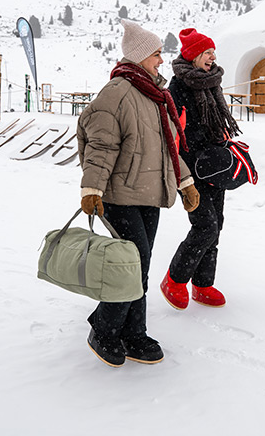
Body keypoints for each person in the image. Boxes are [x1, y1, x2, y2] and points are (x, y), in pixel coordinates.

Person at [77, 19, 200, 368]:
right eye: (157, 54)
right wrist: (92, 188)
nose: (162, 60)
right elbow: (100, 145)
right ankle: (104, 328)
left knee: (139, 267)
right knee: (129, 267)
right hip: (118, 195)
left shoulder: (153, 94)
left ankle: (133, 332)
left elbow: (167, 147)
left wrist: (185, 182)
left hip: (149, 194)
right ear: (140, 56)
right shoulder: (117, 93)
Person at [160, 28, 242, 310]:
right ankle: (174, 279)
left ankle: (203, 284)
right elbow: (173, 135)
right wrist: (185, 171)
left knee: (216, 224)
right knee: (204, 226)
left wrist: (224, 148)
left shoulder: (211, 83)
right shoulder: (177, 90)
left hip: (215, 167)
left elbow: (217, 123)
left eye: (213, 52)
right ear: (194, 55)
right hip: (191, 171)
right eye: (207, 52)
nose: (213, 57)